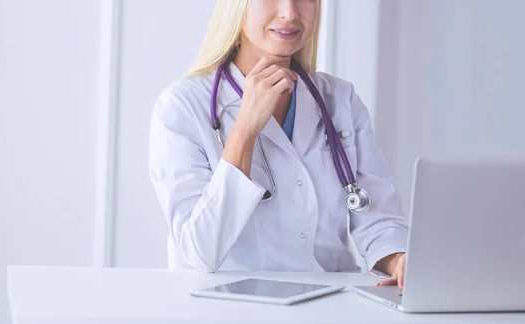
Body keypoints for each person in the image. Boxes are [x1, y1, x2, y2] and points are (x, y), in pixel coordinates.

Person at [149, 0, 408, 288]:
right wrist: (245, 128)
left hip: (331, 303)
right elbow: (200, 252)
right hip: (230, 308)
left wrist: (399, 259)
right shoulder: (183, 106)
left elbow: (379, 219)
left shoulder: (339, 98)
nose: (290, 12)